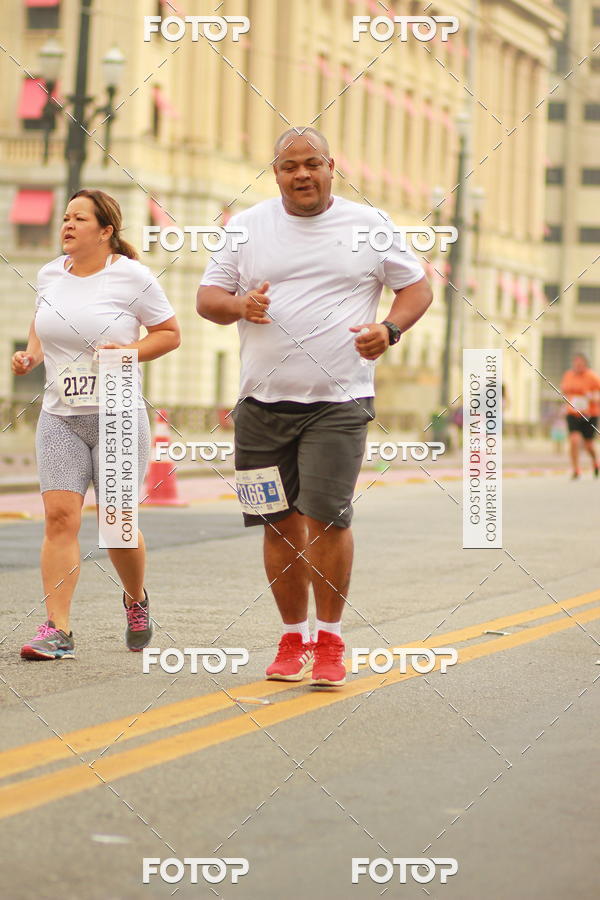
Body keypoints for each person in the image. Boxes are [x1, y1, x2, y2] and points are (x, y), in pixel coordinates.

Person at [197, 128, 432, 686]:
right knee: (276, 526)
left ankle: (329, 640)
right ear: (275, 173)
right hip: (260, 405)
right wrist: (239, 304)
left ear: (332, 166)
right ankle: (291, 638)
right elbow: (208, 299)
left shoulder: (367, 227)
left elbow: (417, 288)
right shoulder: (248, 227)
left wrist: (389, 329)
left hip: (339, 401)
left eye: (311, 164)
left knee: (327, 517)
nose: (301, 175)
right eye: (288, 167)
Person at [11, 189, 180, 660]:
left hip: (119, 416)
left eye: (78, 218)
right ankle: (57, 629)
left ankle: (135, 598)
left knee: (116, 526)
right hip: (60, 416)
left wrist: (126, 353)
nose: (66, 224)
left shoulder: (132, 277)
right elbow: (42, 324)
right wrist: (31, 356)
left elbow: (169, 334)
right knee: (60, 519)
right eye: (64, 217)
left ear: (105, 231)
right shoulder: (49, 274)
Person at [560, 353, 600, 479]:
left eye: (580, 364)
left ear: (585, 365)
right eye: (575, 364)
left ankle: (595, 462)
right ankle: (576, 468)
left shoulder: (593, 377)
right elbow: (564, 391)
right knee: (574, 440)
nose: (578, 366)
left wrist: (591, 397)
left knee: (588, 445)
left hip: (590, 414)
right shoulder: (568, 375)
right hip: (573, 413)